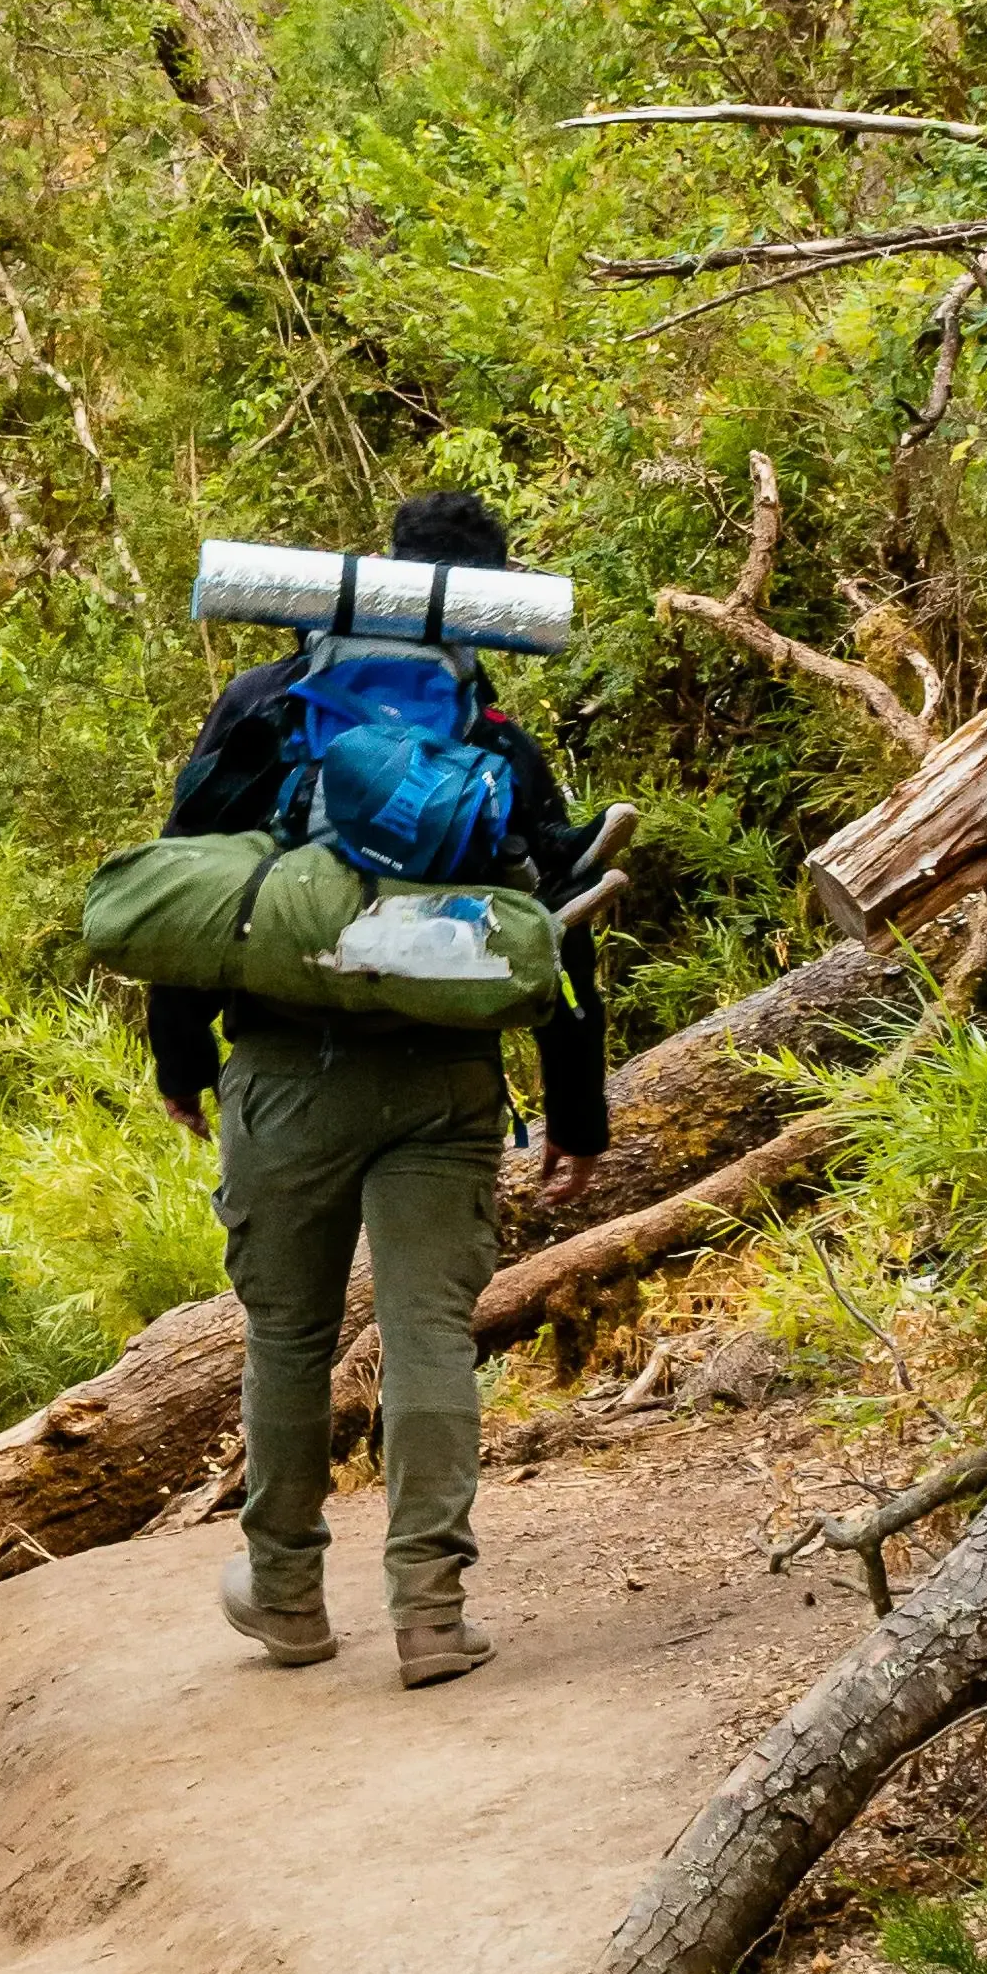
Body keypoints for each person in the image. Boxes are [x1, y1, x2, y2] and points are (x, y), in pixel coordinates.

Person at [151, 487, 615, 1689]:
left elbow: (198, 880)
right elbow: (558, 928)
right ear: (483, 599)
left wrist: (182, 1056)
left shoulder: (267, 704)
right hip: (441, 1084)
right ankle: (428, 1613)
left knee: (288, 1336)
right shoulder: (490, 730)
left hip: (282, 1071)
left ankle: (290, 1597)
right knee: (426, 1341)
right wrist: (576, 1111)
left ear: (380, 570)